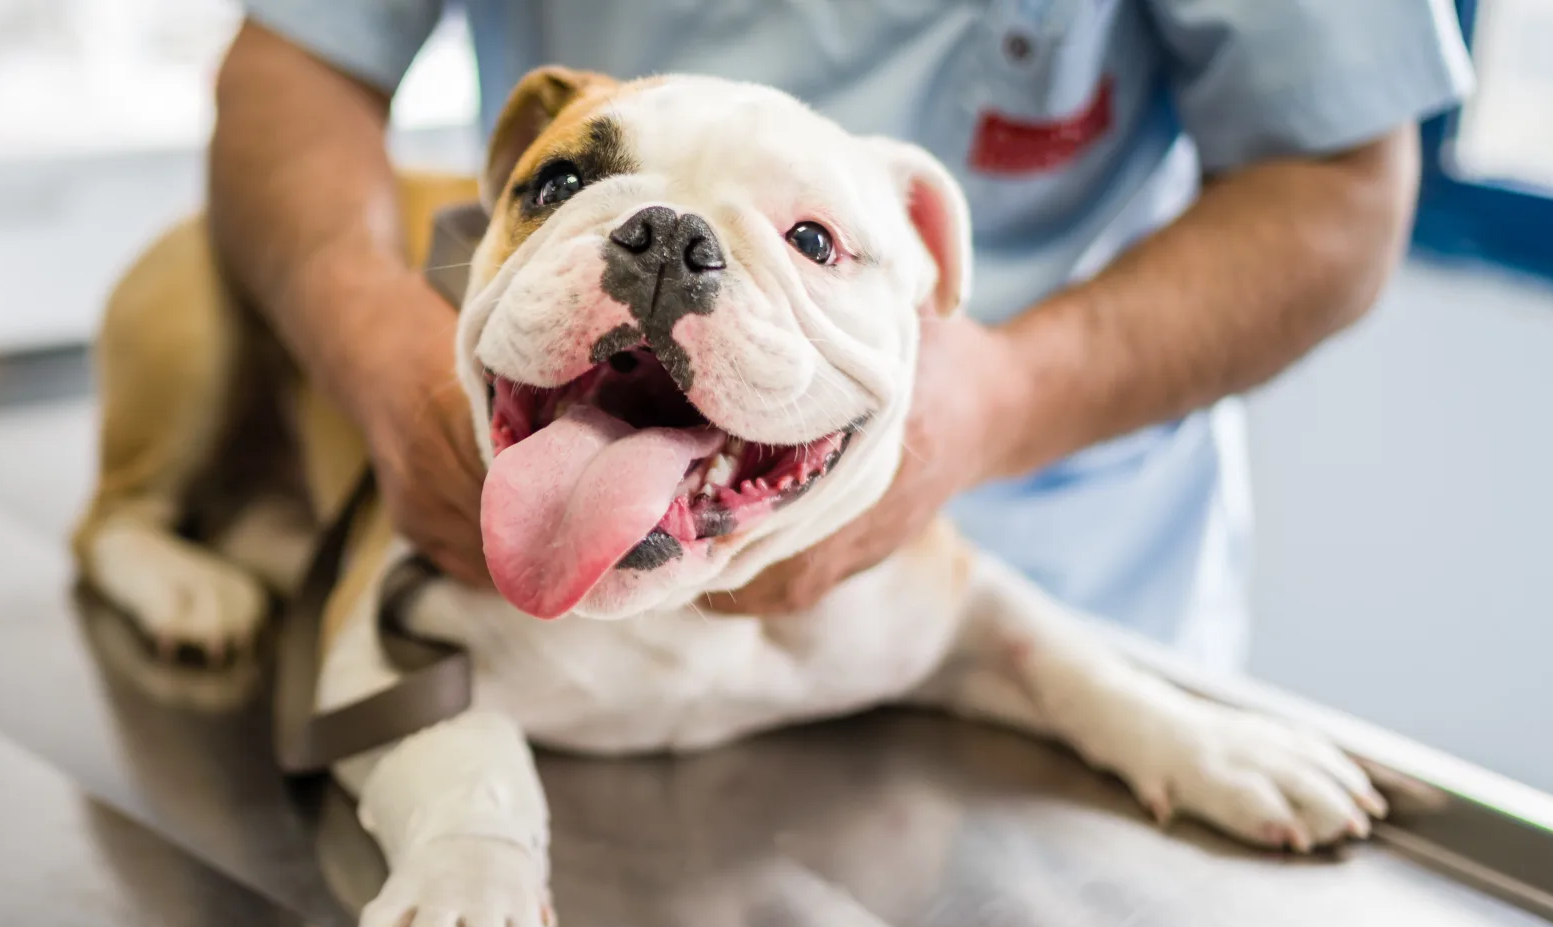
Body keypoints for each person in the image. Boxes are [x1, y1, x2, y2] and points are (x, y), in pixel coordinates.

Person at [205, 0, 1472, 671]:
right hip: (543, 534)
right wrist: (375, 342)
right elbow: (300, 55)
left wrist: (999, 399)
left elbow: (1345, 182)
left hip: (1054, 576)